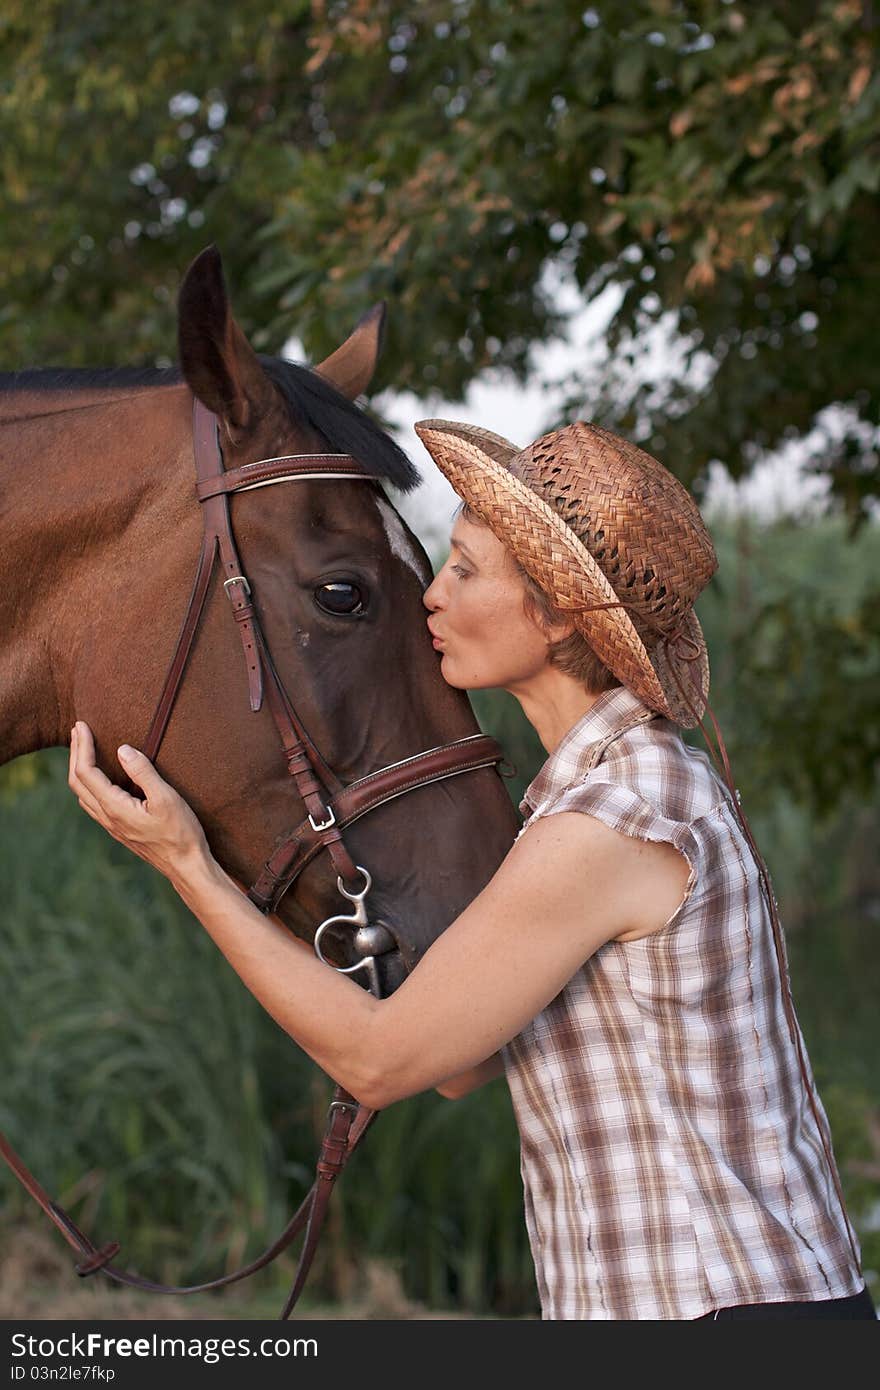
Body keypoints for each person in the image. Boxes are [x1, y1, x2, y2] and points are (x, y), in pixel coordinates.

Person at [67, 415, 875, 1321]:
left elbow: (380, 1062)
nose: (432, 599)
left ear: (559, 610)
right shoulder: (612, 792)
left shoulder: (615, 818)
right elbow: (461, 1062)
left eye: (464, 570)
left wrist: (189, 866)